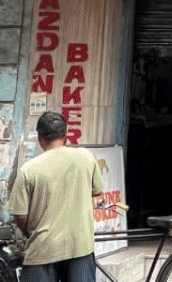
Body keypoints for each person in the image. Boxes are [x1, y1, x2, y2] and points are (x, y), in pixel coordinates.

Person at [7, 111, 104, 282]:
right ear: (65, 135)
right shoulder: (86, 158)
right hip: (79, 246)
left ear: (40, 138)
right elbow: (97, 194)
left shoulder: (29, 169)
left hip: (43, 249)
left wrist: (30, 232)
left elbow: (20, 216)